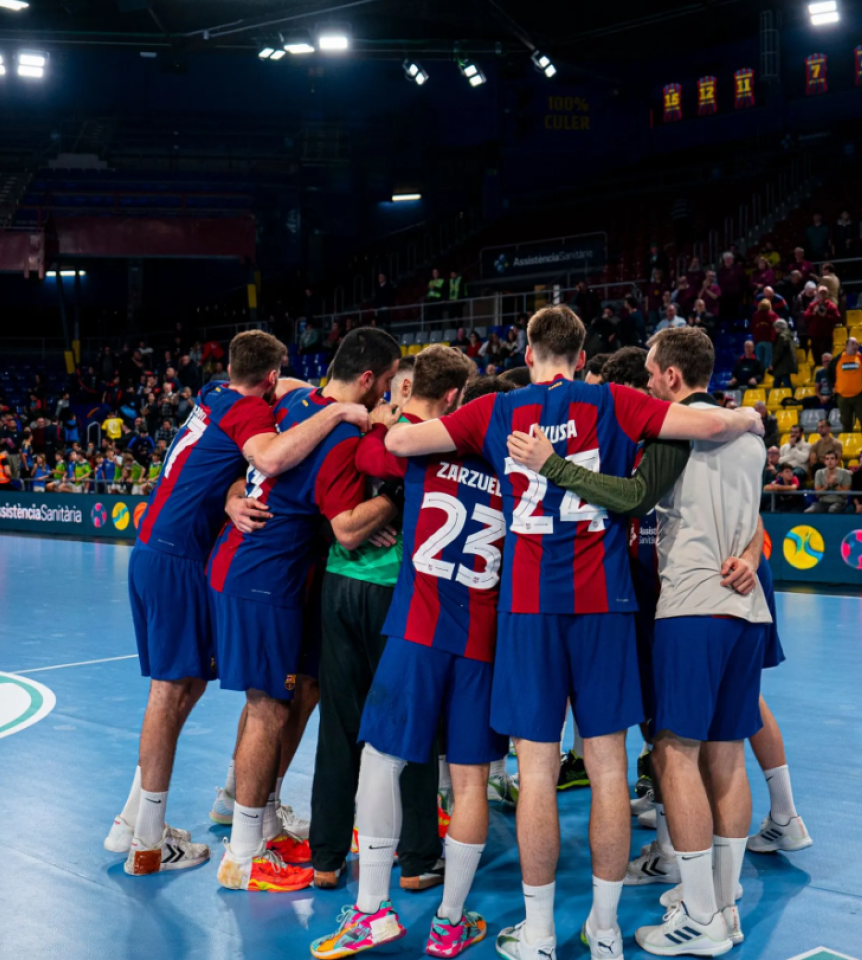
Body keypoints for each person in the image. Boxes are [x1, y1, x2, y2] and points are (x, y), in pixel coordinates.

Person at [383, 306, 766, 960]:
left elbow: (402, 445)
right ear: (583, 358)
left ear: (529, 356)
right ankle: (608, 931)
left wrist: (389, 408)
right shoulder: (615, 399)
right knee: (609, 770)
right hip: (604, 606)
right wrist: (741, 417)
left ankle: (536, 935)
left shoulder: (497, 411)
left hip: (528, 610)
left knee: (535, 770)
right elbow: (704, 422)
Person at [502, 327, 774, 954]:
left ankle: (701, 916)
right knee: (728, 755)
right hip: (745, 605)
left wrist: (553, 465)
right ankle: (724, 908)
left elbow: (630, 497)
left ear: (672, 378)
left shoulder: (677, 429)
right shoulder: (749, 435)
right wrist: (752, 556)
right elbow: (753, 518)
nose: (649, 385)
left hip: (690, 607)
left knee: (674, 754)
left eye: (652, 374)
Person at [108, 331, 369, 881]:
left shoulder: (213, 393)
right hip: (182, 557)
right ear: (270, 377)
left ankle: (136, 823)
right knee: (172, 692)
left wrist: (229, 495)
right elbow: (270, 459)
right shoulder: (251, 412)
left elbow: (280, 407)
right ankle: (146, 841)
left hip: (161, 545)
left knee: (182, 689)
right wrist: (339, 412)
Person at [308, 352, 507, 959]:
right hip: (482, 637)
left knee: (380, 762)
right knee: (471, 783)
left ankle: (372, 913)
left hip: (420, 626)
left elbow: (371, 452)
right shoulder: (511, 464)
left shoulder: (419, 449)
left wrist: (379, 416)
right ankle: (450, 923)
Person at [208, 328, 403, 894]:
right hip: (263, 578)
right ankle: (244, 855)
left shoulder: (294, 400)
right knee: (269, 707)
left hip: (254, 569)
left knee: (279, 697)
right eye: (387, 382)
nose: (387, 392)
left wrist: (229, 493)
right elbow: (345, 531)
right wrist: (392, 499)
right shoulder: (340, 434)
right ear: (367, 379)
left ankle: (255, 822)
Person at [829, 339, 862, 436]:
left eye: (857, 344)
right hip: (843, 397)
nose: (855, 346)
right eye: (852, 344)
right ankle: (848, 444)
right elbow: (829, 373)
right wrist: (831, 387)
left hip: (859, 396)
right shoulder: (837, 359)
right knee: (846, 423)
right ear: (846, 346)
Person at [803, 286, 841, 366]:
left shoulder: (831, 306)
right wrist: (813, 313)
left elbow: (838, 319)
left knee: (827, 356)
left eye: (824, 293)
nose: (822, 296)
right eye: (820, 293)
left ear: (827, 294)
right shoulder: (812, 305)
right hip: (815, 335)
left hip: (826, 336)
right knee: (816, 356)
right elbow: (806, 317)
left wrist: (826, 315)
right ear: (817, 294)